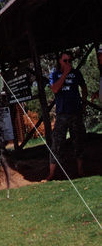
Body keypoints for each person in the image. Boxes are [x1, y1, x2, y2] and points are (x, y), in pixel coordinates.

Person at [47, 50, 87, 180]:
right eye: (65, 61)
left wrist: (84, 103)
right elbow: (55, 89)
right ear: (60, 61)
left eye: (70, 60)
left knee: (78, 141)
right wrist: (65, 74)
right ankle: (51, 174)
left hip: (76, 112)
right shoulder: (55, 74)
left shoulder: (77, 73)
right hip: (62, 114)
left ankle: (80, 170)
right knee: (57, 143)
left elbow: (84, 87)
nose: (68, 63)